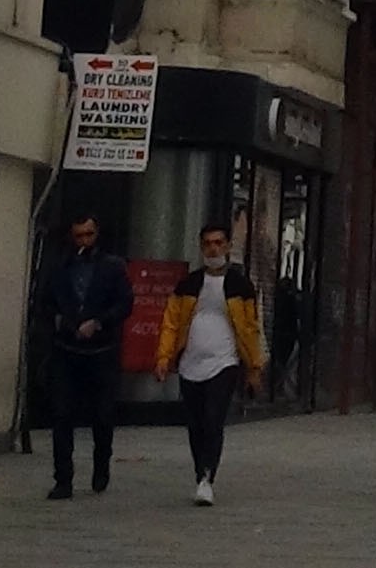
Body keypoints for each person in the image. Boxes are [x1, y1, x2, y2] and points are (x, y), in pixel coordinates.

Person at [153, 224, 266, 506]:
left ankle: (207, 478)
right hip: (191, 362)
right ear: (201, 247)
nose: (213, 249)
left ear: (228, 246)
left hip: (225, 361)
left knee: (214, 419)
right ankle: (199, 472)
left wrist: (254, 367)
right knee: (195, 423)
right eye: (207, 243)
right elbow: (171, 323)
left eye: (218, 243)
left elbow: (251, 328)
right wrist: (164, 357)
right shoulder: (188, 285)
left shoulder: (240, 286)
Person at [43, 212, 132, 500]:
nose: (84, 241)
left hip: (101, 351)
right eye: (79, 236)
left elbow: (125, 303)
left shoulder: (112, 267)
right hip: (67, 350)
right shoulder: (59, 266)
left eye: (89, 235)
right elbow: (45, 303)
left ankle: (101, 464)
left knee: (103, 415)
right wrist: (59, 320)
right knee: (62, 414)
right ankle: (63, 478)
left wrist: (100, 322)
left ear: (97, 234)